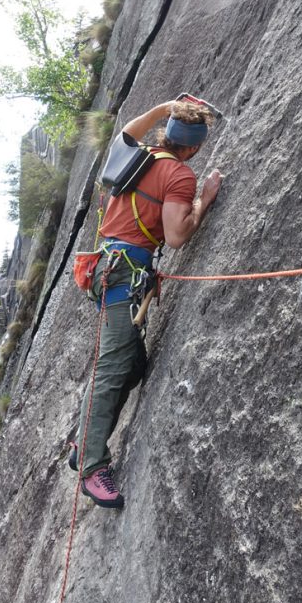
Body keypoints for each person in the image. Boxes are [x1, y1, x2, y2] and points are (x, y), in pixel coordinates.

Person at [71, 99, 222, 508]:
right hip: (124, 274)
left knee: (133, 364)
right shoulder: (179, 174)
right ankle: (90, 466)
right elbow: (176, 236)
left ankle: (82, 442)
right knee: (113, 366)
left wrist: (163, 107)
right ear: (192, 148)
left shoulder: (135, 153)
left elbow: (126, 130)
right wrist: (203, 200)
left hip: (107, 269)